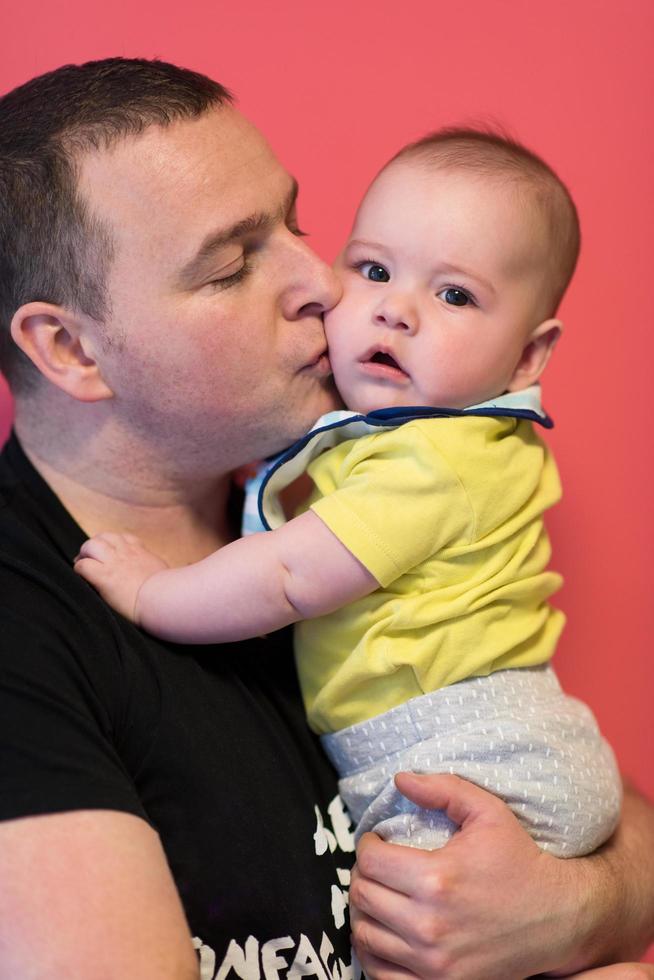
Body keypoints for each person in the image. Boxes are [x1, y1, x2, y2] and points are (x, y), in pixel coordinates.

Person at [0, 57, 652, 979]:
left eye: (298, 224)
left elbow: (605, 801)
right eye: (232, 266)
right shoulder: (26, 640)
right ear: (69, 347)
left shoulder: (323, 494)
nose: (325, 283)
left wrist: (577, 906)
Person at [75, 127, 622, 858]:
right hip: (499, 743)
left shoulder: (437, 460)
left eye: (455, 294)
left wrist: (152, 598)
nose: (397, 310)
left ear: (527, 356)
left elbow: (291, 575)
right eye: (372, 269)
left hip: (467, 759)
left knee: (411, 938)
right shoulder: (408, 436)